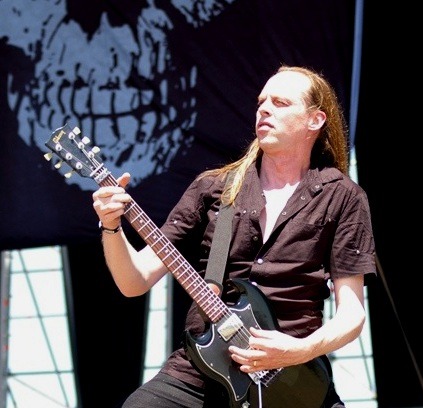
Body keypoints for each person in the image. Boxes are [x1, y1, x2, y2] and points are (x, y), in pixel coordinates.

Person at [92, 64, 377, 408]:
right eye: (261, 102)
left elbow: (352, 314)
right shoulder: (214, 188)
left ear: (315, 120)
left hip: (290, 379)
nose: (264, 109)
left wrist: (300, 350)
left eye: (281, 103)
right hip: (201, 370)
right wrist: (111, 226)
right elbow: (134, 281)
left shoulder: (343, 196)